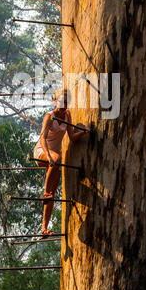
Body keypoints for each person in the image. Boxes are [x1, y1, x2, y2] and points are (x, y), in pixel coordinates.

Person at [33, 88, 90, 236]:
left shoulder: (67, 115)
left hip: (55, 159)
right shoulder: (49, 117)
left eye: (66, 101)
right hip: (42, 152)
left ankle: (44, 228)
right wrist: (49, 156)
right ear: (54, 100)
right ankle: (45, 192)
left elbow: (71, 137)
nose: (63, 103)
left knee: (53, 192)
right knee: (56, 161)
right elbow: (42, 138)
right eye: (60, 100)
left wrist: (83, 132)